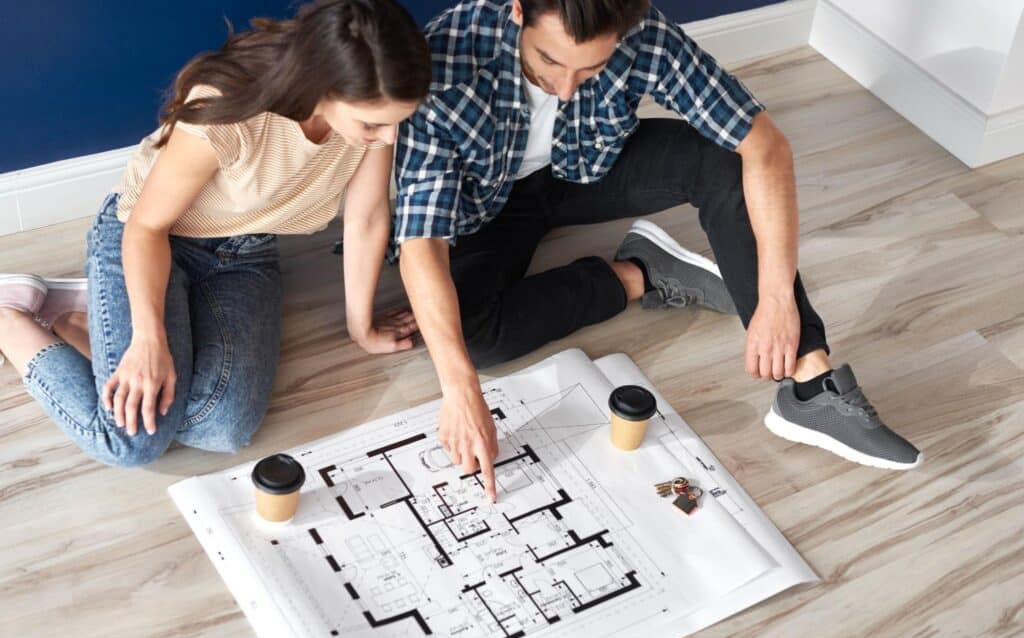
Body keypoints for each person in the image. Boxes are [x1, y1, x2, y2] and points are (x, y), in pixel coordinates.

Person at [393, 0, 922, 502]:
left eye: (591, 69)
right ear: (516, 9)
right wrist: (459, 391)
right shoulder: (447, 58)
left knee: (723, 161)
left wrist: (777, 296)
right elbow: (421, 240)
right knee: (470, 342)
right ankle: (640, 272)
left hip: (581, 172)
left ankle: (813, 385)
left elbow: (765, 145)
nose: (566, 89)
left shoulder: (645, 35)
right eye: (548, 61)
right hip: (487, 209)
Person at [0, 0, 431, 466]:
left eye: (397, 122)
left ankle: (84, 324)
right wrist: (148, 340)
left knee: (223, 426)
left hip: (247, 250)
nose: (390, 137)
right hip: (152, 238)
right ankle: (10, 321)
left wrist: (360, 327)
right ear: (323, 83)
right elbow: (147, 226)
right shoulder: (226, 108)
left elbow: (366, 217)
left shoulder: (368, 128)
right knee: (131, 443)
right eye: (375, 123)